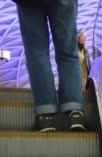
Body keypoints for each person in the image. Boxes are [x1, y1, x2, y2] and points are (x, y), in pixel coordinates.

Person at [13, 0, 85, 132]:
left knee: (37, 54)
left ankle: (46, 116)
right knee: (68, 53)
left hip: (29, 4)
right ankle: (74, 112)